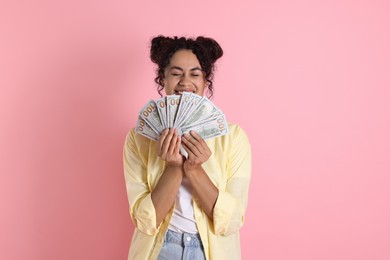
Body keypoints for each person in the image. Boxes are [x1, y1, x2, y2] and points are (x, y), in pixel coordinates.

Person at [123, 35, 252, 260]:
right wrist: (173, 168)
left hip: (212, 252)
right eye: (176, 73)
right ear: (163, 79)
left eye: (195, 74)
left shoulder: (234, 138)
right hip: (160, 249)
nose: (185, 82)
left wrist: (194, 169)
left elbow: (231, 221)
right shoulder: (139, 139)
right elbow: (146, 221)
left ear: (205, 82)